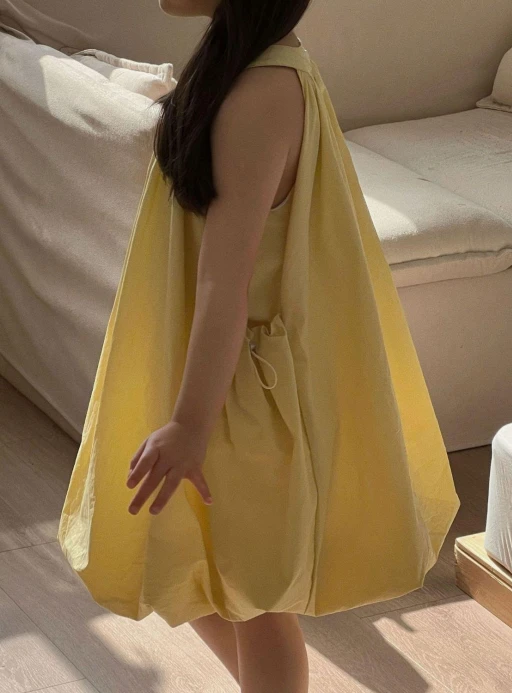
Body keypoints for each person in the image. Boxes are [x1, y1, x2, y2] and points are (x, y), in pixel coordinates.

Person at [58, 1, 461, 692]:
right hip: (217, 370)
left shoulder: (262, 92)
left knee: (255, 600)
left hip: (242, 391)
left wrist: (191, 423)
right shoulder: (245, 64)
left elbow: (227, 280)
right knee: (194, 567)